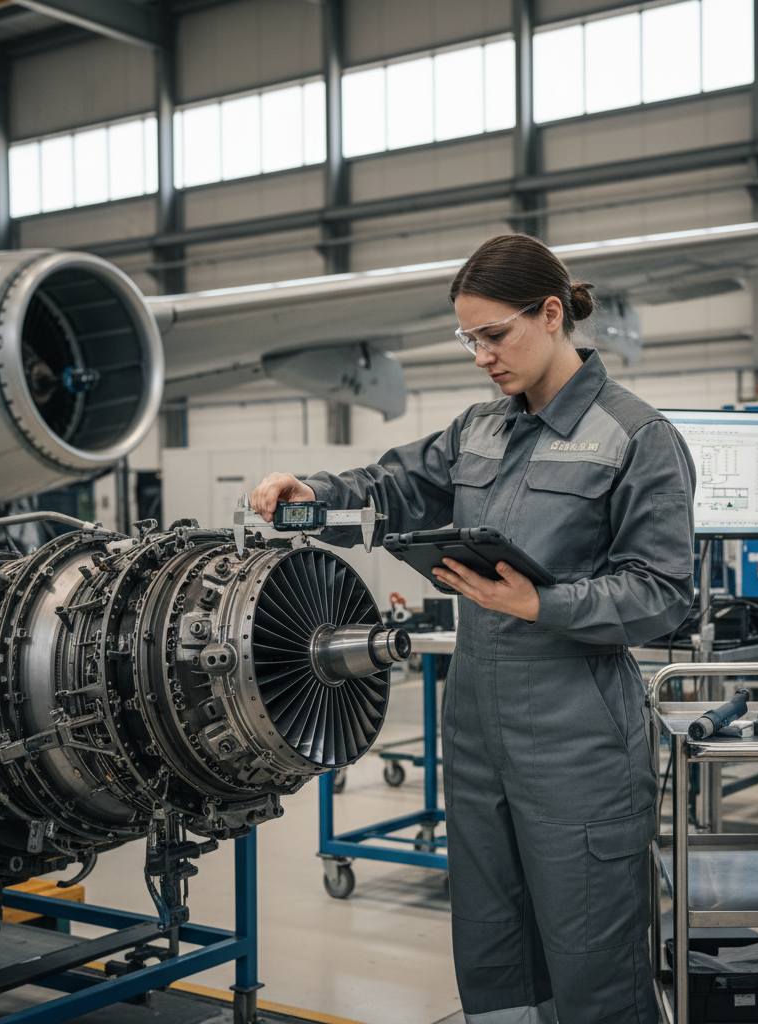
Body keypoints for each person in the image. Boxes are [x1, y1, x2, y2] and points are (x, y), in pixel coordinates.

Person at [250, 233, 695, 1024]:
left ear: (552, 314)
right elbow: (390, 484)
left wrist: (541, 605)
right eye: (468, 339)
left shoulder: (636, 436)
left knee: (594, 958)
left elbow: (662, 594)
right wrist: (308, 491)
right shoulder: (477, 431)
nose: (481, 355)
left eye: (495, 334)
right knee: (492, 952)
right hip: (479, 734)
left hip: (579, 745)